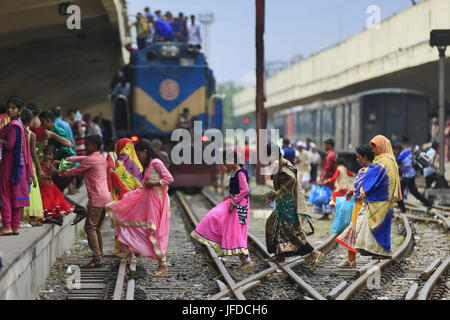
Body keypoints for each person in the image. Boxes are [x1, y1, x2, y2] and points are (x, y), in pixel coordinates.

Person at [106, 140, 174, 276]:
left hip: (155, 202)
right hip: (146, 199)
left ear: (145, 152)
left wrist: (154, 183)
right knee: (128, 217)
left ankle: (163, 265)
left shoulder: (156, 163)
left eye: (139, 154)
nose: (138, 157)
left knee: (154, 231)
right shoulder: (148, 165)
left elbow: (169, 179)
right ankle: (126, 247)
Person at [50, 135, 111, 268]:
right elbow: (83, 158)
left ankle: (97, 258)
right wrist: (67, 159)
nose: (85, 147)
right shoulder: (100, 157)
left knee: (90, 228)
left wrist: (57, 172)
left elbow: (73, 171)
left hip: (96, 199)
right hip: (105, 197)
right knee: (96, 228)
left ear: (94, 146)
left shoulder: (91, 160)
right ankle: (100, 256)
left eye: (88, 145)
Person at [191, 151, 253, 271]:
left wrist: (234, 201)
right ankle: (245, 260)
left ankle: (247, 261)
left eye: (226, 161)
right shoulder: (234, 172)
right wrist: (230, 196)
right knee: (219, 220)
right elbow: (237, 189)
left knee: (238, 231)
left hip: (241, 206)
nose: (224, 164)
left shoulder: (240, 172)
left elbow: (245, 190)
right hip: (234, 202)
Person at [264, 144, 324, 266]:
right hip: (283, 202)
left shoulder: (285, 164)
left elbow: (292, 180)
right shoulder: (277, 164)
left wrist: (277, 192)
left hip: (289, 204)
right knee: (276, 226)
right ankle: (280, 255)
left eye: (268, 155)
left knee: (291, 230)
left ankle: (314, 252)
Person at [354, 135, 402, 259]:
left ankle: (379, 250)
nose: (373, 151)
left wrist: (365, 188)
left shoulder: (383, 161)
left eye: (374, 147)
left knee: (377, 227)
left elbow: (373, 177)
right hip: (383, 199)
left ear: (381, 146)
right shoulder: (389, 160)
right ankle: (378, 251)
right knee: (379, 227)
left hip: (380, 199)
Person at [0, 96, 34, 236]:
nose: (9, 110)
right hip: (19, 166)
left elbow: (10, 145)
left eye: (13, 108)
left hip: (9, 164)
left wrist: (2, 141)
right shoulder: (20, 125)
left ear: (19, 110)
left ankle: (7, 225)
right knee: (15, 197)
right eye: (9, 107)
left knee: (4, 194)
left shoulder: (13, 125)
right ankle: (15, 227)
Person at [336, 145, 374, 268]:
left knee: (359, 231)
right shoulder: (362, 170)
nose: (357, 159)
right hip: (357, 205)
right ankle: (351, 260)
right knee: (353, 231)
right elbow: (359, 186)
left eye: (358, 157)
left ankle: (374, 257)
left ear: (365, 157)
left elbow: (370, 187)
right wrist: (352, 191)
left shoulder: (372, 171)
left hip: (364, 206)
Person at [39, 145, 74, 226]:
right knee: (48, 204)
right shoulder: (41, 163)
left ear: (53, 156)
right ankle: (51, 218)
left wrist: (58, 162)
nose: (47, 156)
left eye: (50, 154)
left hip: (49, 186)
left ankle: (57, 219)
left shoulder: (52, 164)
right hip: (43, 185)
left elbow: (68, 164)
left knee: (51, 203)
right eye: (46, 154)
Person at [21, 108, 44, 227]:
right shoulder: (31, 134)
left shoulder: (17, 131)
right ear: (30, 122)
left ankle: (21, 217)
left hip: (19, 165)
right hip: (29, 165)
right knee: (32, 190)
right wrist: (39, 169)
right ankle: (32, 217)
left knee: (21, 190)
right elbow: (33, 154)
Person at [394, 144, 432, 212]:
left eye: (395, 150)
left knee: (398, 192)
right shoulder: (407, 152)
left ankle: (402, 208)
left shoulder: (400, 158)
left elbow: (396, 166)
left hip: (407, 176)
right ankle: (428, 203)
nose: (394, 151)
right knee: (414, 191)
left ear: (397, 150)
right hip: (412, 173)